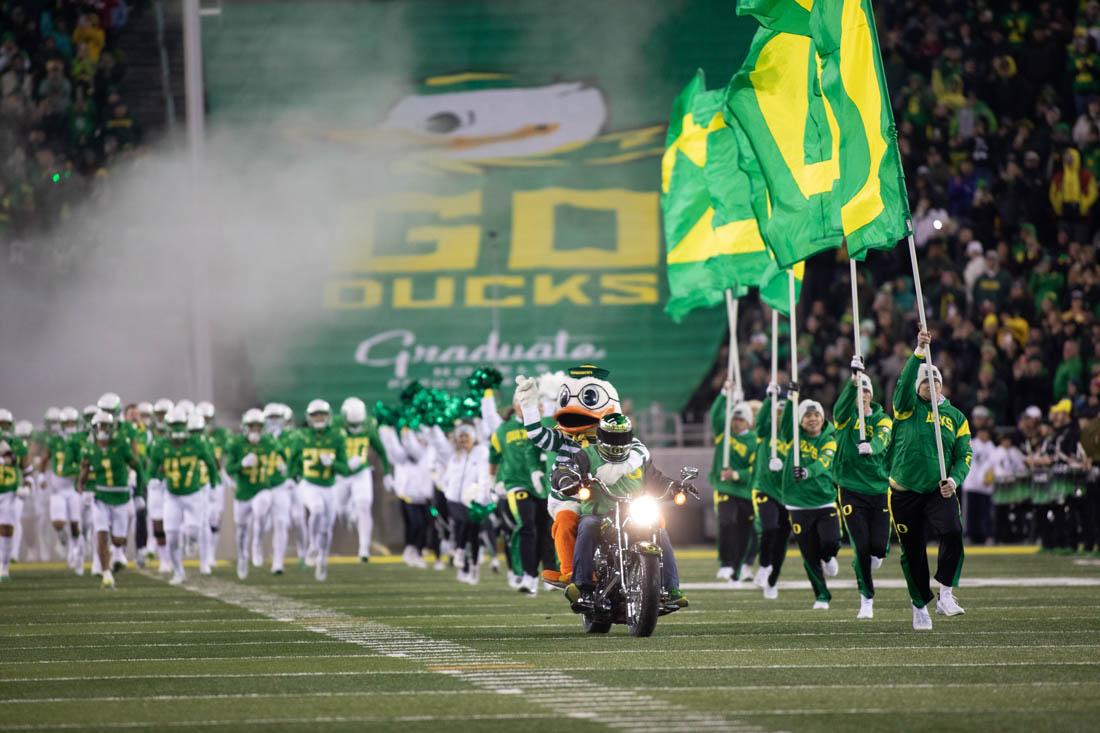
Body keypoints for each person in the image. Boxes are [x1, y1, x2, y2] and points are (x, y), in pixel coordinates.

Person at [889, 329, 972, 630]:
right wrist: (919, 353)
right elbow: (901, 387)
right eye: (925, 380)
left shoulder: (956, 417)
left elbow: (965, 455)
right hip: (904, 491)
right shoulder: (906, 408)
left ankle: (946, 594)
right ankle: (918, 602)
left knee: (952, 531)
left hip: (939, 489)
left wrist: (955, 479)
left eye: (934, 380)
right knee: (912, 552)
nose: (931, 384)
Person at [563, 413, 688, 610]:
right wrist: (571, 481)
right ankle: (582, 587)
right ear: (601, 436)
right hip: (600, 514)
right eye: (613, 437)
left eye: (622, 437)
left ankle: (671, 589)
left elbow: (656, 479)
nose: (617, 442)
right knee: (586, 527)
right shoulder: (586, 455)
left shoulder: (638, 458)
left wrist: (676, 486)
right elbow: (566, 472)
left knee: (660, 530)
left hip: (633, 513)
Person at [832, 366, 893, 619]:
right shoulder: (846, 417)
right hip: (850, 488)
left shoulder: (882, 418)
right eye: (860, 390)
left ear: (871, 394)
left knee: (878, 547)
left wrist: (873, 446)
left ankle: (875, 555)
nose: (863, 394)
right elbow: (838, 411)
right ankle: (866, 597)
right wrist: (852, 383)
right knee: (861, 545)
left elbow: (884, 437)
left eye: (866, 390)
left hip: (878, 488)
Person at [779, 394, 839, 610]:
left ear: (822, 418)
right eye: (807, 416)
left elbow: (824, 461)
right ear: (800, 420)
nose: (812, 419)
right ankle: (821, 596)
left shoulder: (829, 438)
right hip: (797, 503)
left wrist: (807, 471)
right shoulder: (792, 436)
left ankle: (829, 556)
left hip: (824, 501)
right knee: (808, 553)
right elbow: (786, 421)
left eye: (816, 415)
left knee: (831, 541)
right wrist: (790, 399)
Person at [147, 408, 220, 585]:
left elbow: (210, 464)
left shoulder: (197, 443)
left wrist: (213, 484)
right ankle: (178, 571)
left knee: (194, 532)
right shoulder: (160, 445)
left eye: (180, 425)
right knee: (171, 536)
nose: (178, 429)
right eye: (174, 425)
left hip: (193, 494)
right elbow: (152, 468)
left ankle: (192, 543)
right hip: (172, 496)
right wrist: (152, 480)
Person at [490, 401, 555, 595]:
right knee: (526, 526)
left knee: (546, 529)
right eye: (521, 402)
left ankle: (549, 574)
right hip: (516, 483)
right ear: (515, 404)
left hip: (544, 483)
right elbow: (494, 458)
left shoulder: (546, 424)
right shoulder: (503, 429)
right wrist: (493, 482)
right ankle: (527, 574)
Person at [77, 411, 146, 590]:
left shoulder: (121, 444)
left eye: (105, 426)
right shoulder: (89, 447)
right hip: (100, 496)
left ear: (112, 427)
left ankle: (117, 553)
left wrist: (138, 493)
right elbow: (84, 468)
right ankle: (106, 574)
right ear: (93, 428)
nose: (102, 429)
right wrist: (82, 488)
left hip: (121, 496)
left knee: (117, 539)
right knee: (100, 532)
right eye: (99, 426)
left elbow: (137, 466)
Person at [289, 400, 350, 581]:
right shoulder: (301, 436)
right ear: (309, 418)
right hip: (309, 484)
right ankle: (313, 546)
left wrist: (332, 463)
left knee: (327, 528)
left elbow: (345, 469)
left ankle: (322, 559)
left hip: (329, 486)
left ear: (328, 416)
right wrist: (292, 478)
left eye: (322, 414)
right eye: (315, 415)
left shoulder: (337, 436)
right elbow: (293, 461)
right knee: (316, 509)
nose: (319, 418)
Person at [225, 409, 283, 580]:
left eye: (258, 427)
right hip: (243, 492)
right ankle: (242, 557)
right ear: (245, 427)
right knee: (241, 529)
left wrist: (281, 464)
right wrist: (241, 465)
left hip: (262, 488)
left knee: (261, 510)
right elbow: (229, 469)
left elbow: (279, 455)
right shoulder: (236, 444)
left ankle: (257, 543)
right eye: (252, 427)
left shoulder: (269, 443)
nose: (255, 431)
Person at [708, 390, 758, 583]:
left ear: (748, 422)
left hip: (745, 491)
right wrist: (724, 395)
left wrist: (737, 474)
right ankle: (726, 563)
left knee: (746, 530)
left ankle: (739, 567)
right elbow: (715, 415)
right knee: (727, 521)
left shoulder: (754, 441)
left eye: (740, 419)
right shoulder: (724, 434)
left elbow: (755, 469)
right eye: (734, 419)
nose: (736, 422)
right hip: (725, 488)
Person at [338, 398, 390, 563]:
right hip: (341, 473)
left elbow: (381, 451)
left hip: (361, 471)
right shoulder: (334, 426)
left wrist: (387, 472)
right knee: (339, 511)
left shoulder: (368, 426)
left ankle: (364, 549)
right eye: (351, 424)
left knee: (364, 506)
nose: (355, 427)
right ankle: (350, 514)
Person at [752, 385, 789, 600]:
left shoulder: (793, 436)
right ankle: (764, 565)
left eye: (783, 412)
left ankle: (772, 579)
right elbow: (760, 424)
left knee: (782, 538)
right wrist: (768, 400)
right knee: (770, 527)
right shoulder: (767, 432)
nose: (780, 416)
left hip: (787, 493)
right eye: (778, 412)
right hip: (765, 488)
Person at [441, 422, 490, 584]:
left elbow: (484, 475)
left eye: (466, 437)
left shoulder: (481, 452)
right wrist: (446, 488)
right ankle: (460, 551)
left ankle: (473, 568)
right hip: (455, 499)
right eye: (460, 437)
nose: (463, 441)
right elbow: (447, 476)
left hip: (473, 499)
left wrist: (481, 495)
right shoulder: (455, 455)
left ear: (473, 438)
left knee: (474, 534)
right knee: (463, 522)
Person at [0, 408, 32, 582]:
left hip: (9, 492)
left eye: (5, 425)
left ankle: (4, 566)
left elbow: (27, 470)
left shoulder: (18, 444)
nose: (2, 428)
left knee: (6, 528)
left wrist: (27, 486)